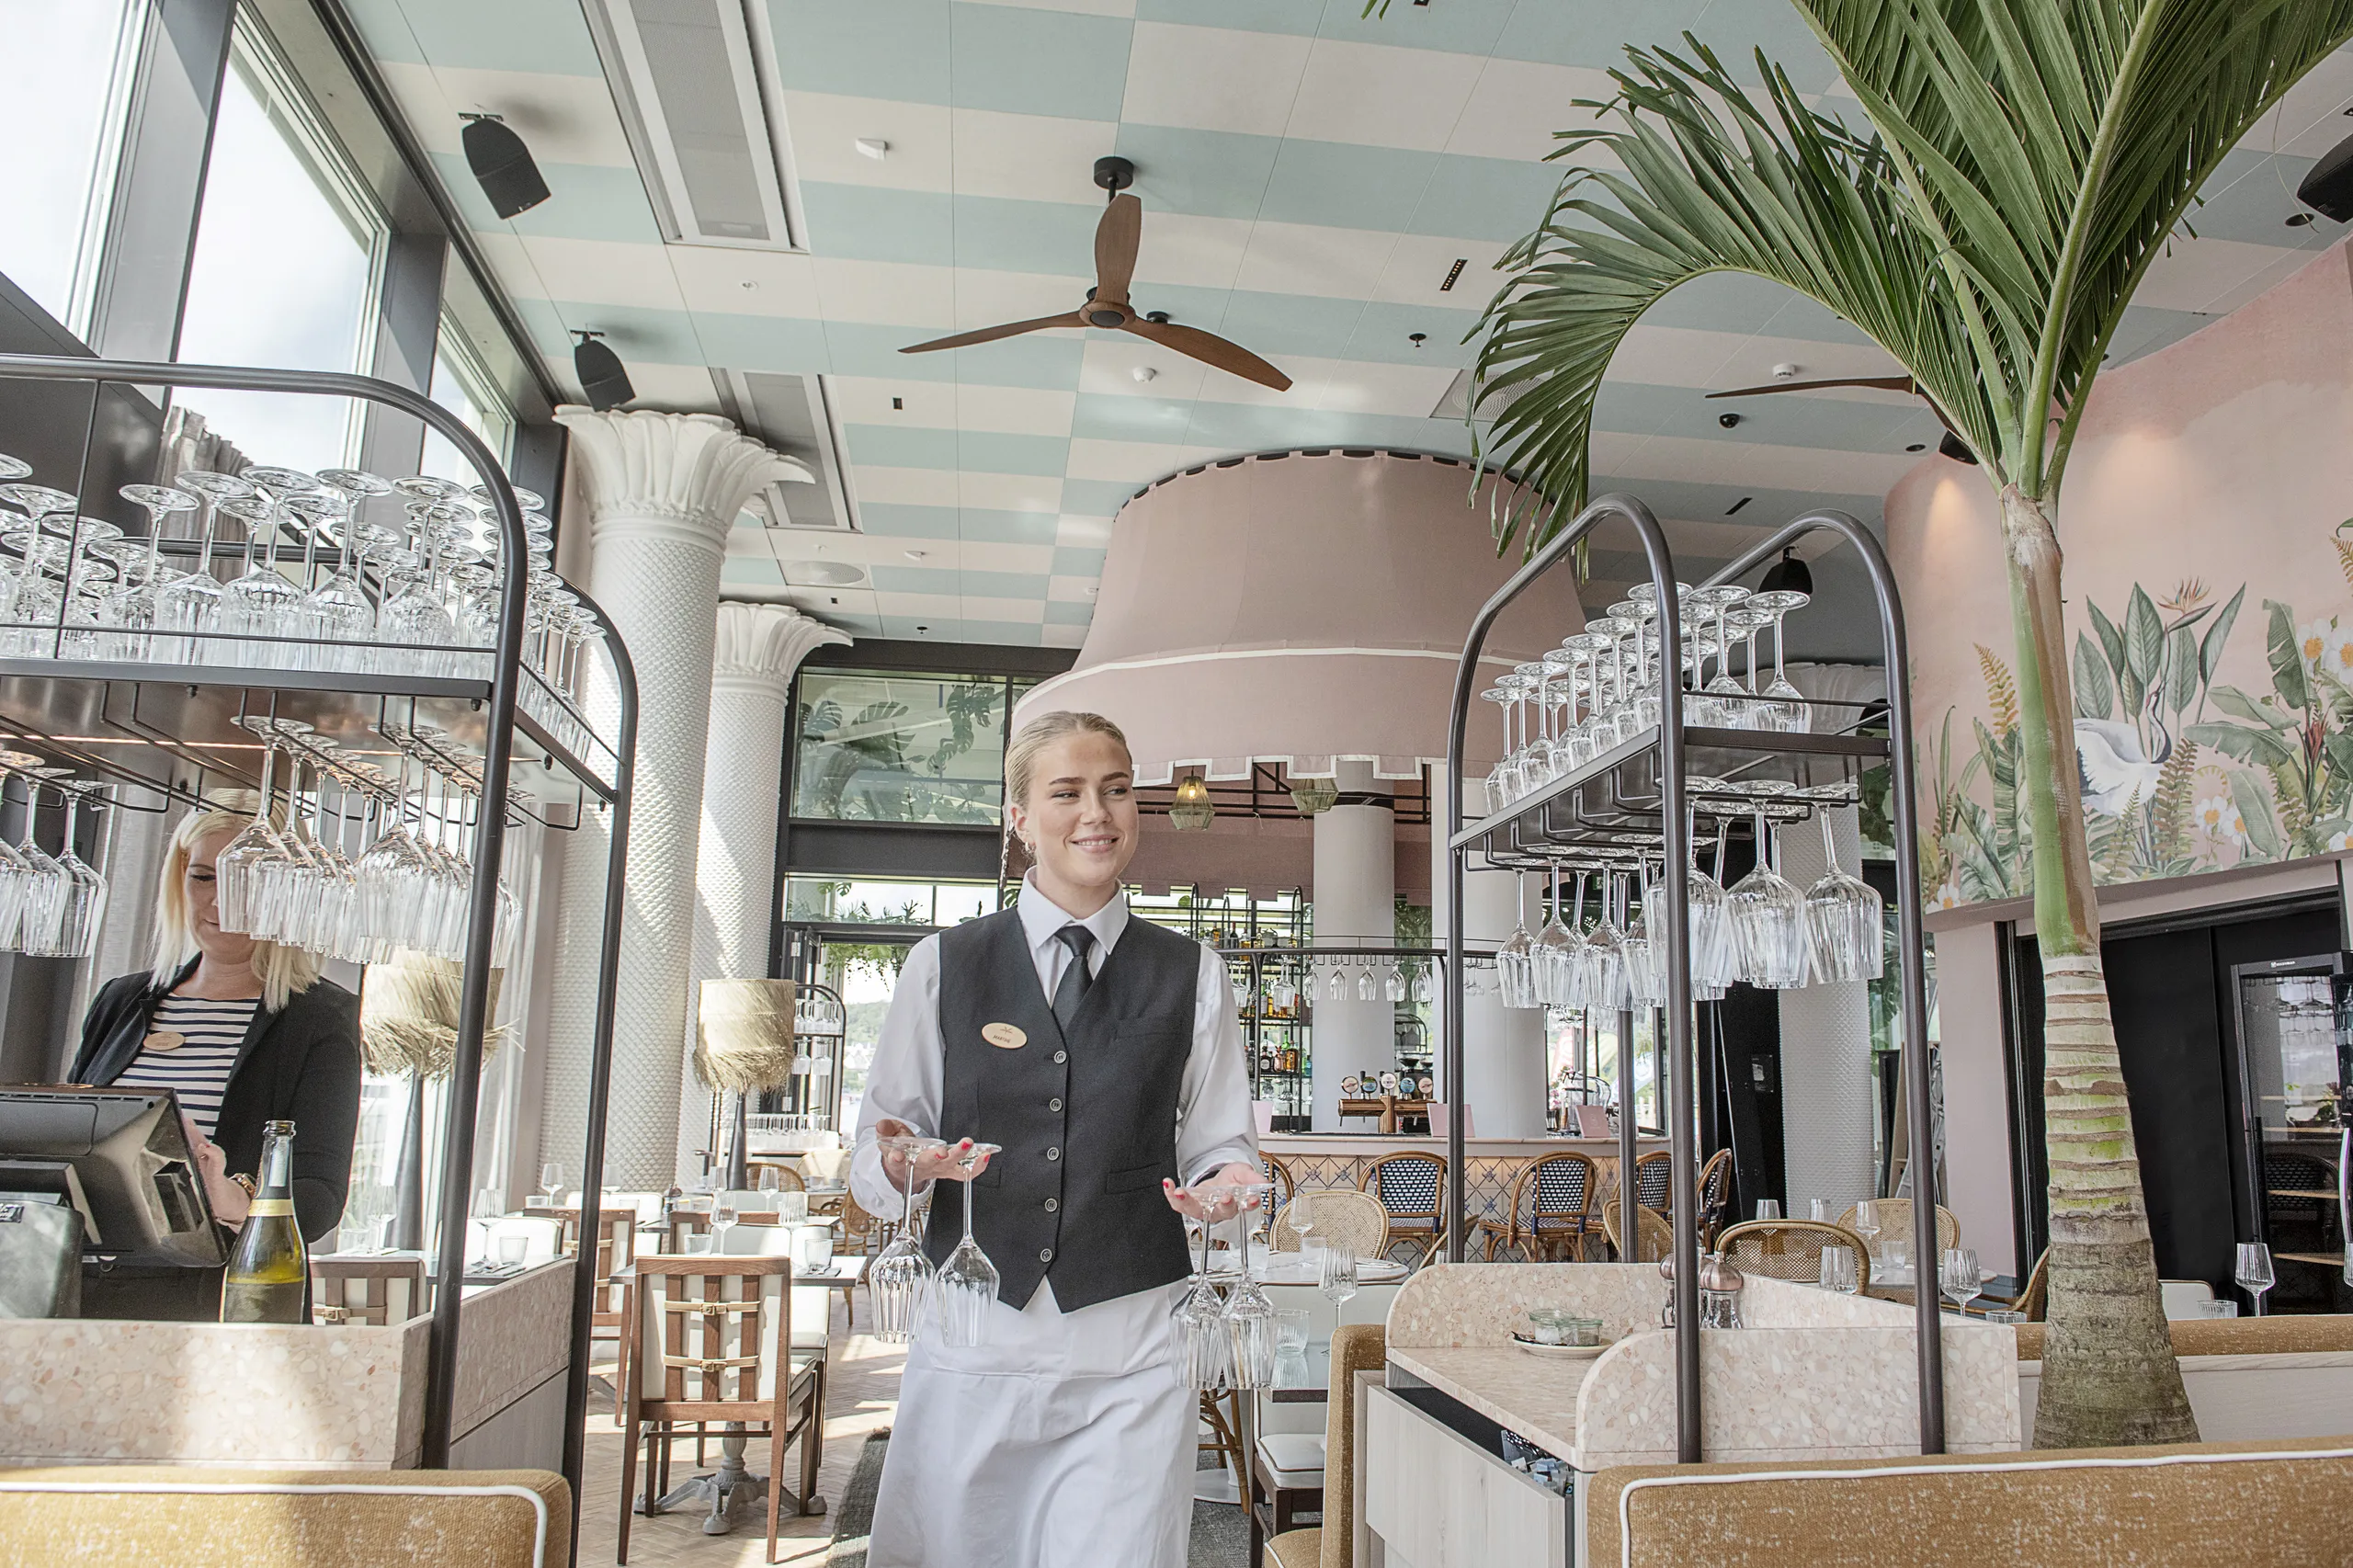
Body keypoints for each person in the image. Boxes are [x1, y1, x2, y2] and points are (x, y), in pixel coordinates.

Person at [850, 710, 1259, 1568]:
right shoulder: (942, 964)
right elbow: (881, 1150)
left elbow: (1224, 1145)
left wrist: (1224, 1189)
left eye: (1115, 790)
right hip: (976, 1336)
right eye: (1066, 793)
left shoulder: (1193, 975)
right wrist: (903, 1163)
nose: (1096, 814)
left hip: (1132, 1342)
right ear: (1020, 819)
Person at [70, 806, 361, 1318]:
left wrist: (230, 1196)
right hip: (85, 1290)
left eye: (247, 879)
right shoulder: (121, 999)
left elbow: (319, 1199)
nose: (220, 899)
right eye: (204, 876)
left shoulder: (318, 1018)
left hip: (221, 1305)